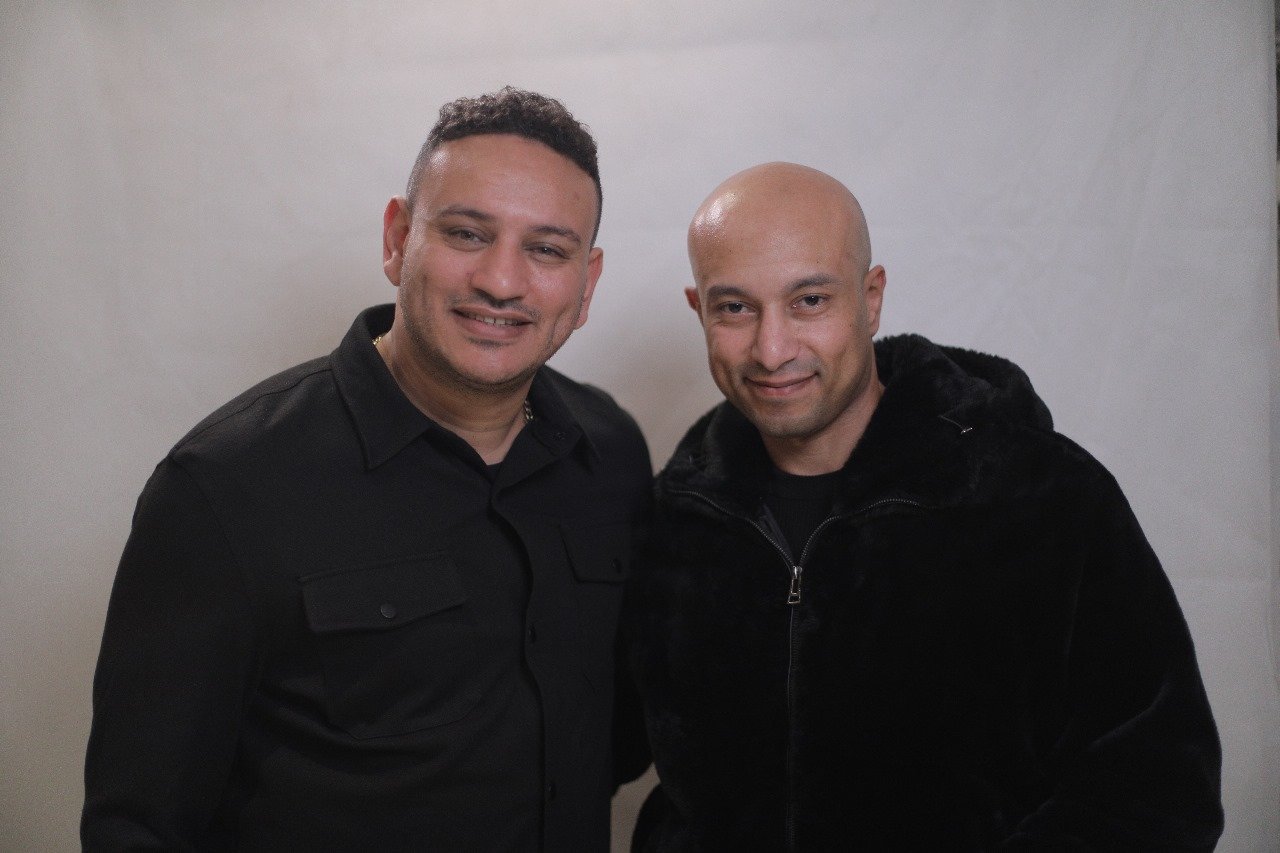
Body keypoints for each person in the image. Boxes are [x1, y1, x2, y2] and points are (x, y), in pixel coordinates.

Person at [82, 87, 651, 851]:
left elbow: (616, 739)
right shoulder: (224, 487)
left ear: (587, 283)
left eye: (547, 249)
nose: (501, 280)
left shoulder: (611, 454)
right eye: (467, 233)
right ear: (397, 238)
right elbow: (139, 826)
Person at [628, 163, 1223, 850]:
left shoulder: (1042, 496)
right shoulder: (676, 517)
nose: (772, 349)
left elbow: (1159, 788)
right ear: (699, 309)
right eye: (735, 307)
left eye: (810, 300)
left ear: (871, 298)